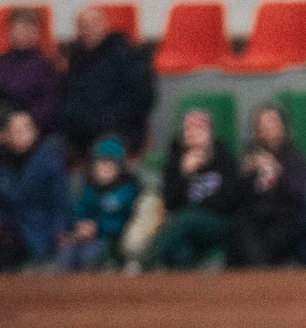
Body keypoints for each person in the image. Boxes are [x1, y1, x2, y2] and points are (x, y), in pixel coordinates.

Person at [143, 107, 237, 270]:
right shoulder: (175, 159)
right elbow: (169, 202)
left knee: (187, 218)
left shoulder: (223, 157)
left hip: (216, 223)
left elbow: (229, 200)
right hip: (181, 225)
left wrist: (198, 206)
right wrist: (183, 174)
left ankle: (144, 263)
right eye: (189, 128)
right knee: (182, 253)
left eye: (200, 127)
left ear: (210, 132)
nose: (194, 133)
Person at [58, 4, 157, 159]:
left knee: (104, 151)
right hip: (81, 132)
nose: (90, 29)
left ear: (105, 25)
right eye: (84, 26)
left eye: (95, 23)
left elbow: (142, 98)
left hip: (120, 130)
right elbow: (68, 100)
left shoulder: (127, 55)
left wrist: (107, 120)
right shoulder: (74, 60)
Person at [230, 103, 306, 267]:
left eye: (272, 123)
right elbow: (234, 197)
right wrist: (245, 174)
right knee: (241, 224)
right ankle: (258, 270)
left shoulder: (295, 157)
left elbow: (297, 194)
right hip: (255, 215)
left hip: (285, 214)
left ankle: (262, 271)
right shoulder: (249, 156)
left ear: (283, 127)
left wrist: (278, 173)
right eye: (262, 124)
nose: (267, 128)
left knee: (289, 226)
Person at [0, 107, 69, 270]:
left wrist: (59, 232)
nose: (22, 134)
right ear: (6, 135)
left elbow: (59, 202)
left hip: (40, 234)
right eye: (16, 130)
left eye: (27, 128)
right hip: (10, 231)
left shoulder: (49, 161)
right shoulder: (4, 163)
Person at [59, 136, 139, 271]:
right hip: (84, 239)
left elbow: (124, 221)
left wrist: (98, 227)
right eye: (100, 164)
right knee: (66, 254)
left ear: (119, 167)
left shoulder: (126, 191)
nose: (104, 169)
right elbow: (79, 211)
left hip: (111, 241)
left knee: (90, 257)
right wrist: (79, 227)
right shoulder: (88, 190)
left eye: (110, 164)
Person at [0, 8, 60, 133]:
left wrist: (25, 121)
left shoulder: (46, 65)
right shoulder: (3, 62)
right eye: (19, 29)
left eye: (28, 28)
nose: (23, 33)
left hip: (33, 126)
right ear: (10, 32)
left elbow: (49, 103)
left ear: (36, 33)